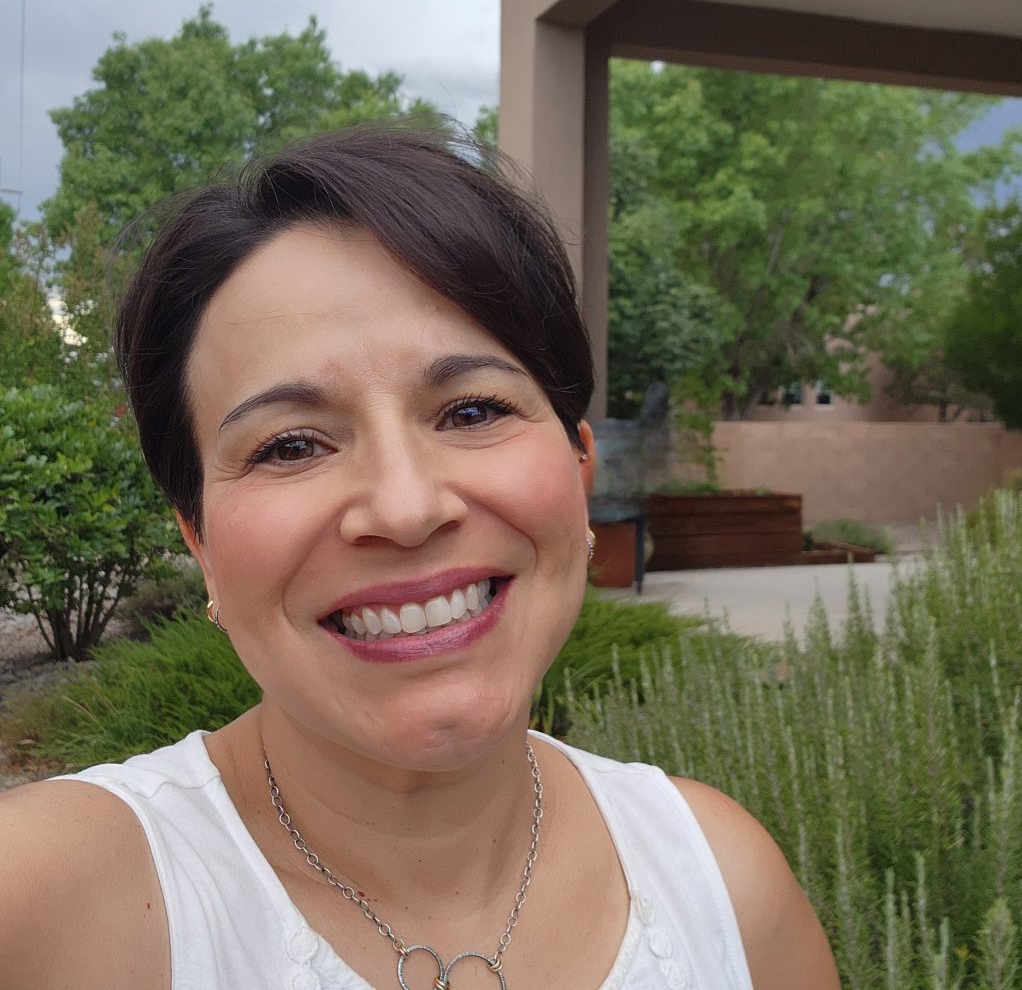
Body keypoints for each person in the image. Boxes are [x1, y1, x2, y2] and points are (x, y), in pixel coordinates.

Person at [0, 126, 839, 990]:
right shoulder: (42, 909)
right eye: (291, 445)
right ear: (200, 542)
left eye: (471, 412)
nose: (405, 509)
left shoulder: (727, 888)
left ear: (579, 471)